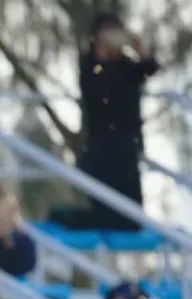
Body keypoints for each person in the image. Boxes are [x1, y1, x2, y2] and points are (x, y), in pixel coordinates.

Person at [79, 12, 159, 231]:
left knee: (132, 217)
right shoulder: (90, 67)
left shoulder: (126, 66)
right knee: (108, 215)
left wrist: (138, 45)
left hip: (127, 150)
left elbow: (150, 67)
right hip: (102, 153)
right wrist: (102, 55)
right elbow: (100, 96)